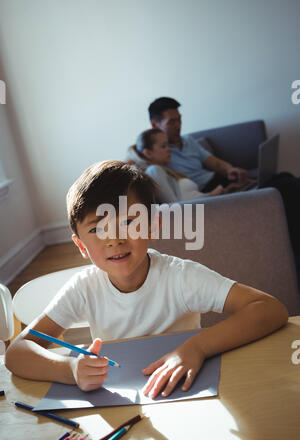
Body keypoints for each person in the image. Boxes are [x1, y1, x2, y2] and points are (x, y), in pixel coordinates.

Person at [5, 161, 288, 398]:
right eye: (98, 229)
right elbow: (16, 352)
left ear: (153, 226)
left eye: (129, 222)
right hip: (122, 400)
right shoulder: (84, 288)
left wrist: (197, 347)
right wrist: (69, 370)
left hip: (185, 393)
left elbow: (269, 309)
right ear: (80, 246)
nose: (115, 239)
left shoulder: (180, 276)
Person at [148, 96, 300, 277]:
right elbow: (139, 159)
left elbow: (212, 162)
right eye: (171, 121)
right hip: (208, 191)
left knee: (285, 178)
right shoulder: (157, 152)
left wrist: (231, 170)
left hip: (218, 180)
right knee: (285, 188)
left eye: (179, 119)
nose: (178, 125)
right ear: (155, 124)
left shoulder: (188, 141)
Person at [134, 128, 229, 202]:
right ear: (148, 153)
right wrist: (212, 196)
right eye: (163, 146)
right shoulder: (154, 170)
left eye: (168, 145)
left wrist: (213, 195)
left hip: (207, 204)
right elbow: (174, 207)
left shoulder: (165, 171)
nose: (169, 149)